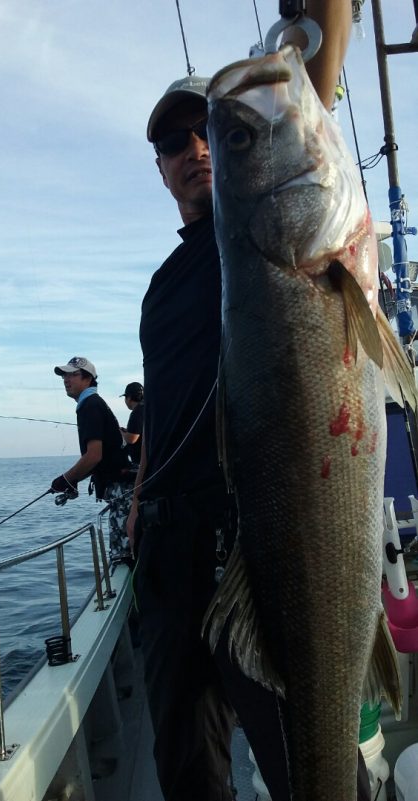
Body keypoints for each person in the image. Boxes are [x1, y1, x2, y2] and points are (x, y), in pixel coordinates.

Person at [127, 5, 371, 800]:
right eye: (174, 143)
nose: (195, 150)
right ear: (160, 167)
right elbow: (162, 414)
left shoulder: (256, 235)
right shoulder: (161, 290)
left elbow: (307, 99)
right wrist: (136, 499)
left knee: (309, 755)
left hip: (251, 542)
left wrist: (316, 34)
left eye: (210, 133)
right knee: (187, 773)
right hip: (166, 566)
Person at [50, 356, 134, 563]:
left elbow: (94, 455)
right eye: (64, 376)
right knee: (128, 554)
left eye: (72, 374)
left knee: (125, 558)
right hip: (125, 488)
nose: (66, 380)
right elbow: (99, 456)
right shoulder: (94, 403)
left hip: (121, 490)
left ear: (88, 379)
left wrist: (66, 479)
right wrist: (75, 479)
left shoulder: (90, 406)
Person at [119, 381, 144, 466]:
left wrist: (121, 432)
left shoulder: (137, 412)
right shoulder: (146, 409)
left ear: (129, 398)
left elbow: (131, 439)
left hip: (140, 464)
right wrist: (128, 431)